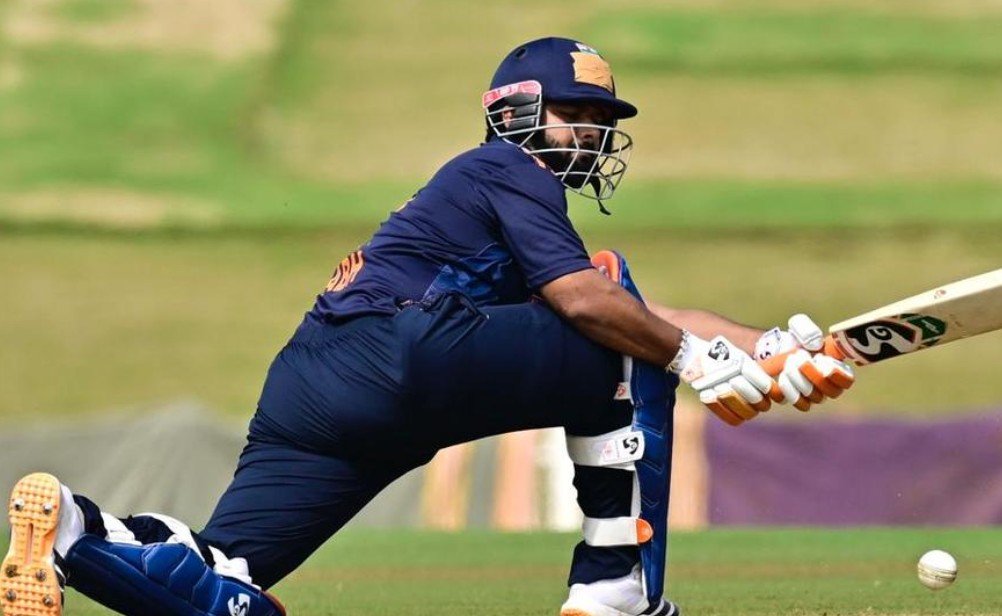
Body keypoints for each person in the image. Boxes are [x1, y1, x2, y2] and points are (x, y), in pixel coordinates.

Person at [1, 37, 856, 616]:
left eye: (602, 121)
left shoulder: (486, 194)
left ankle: (74, 532)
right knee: (619, 325)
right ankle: (617, 591)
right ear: (519, 111)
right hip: (403, 352)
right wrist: (695, 358)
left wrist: (766, 347)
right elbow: (592, 305)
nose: (596, 134)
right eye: (579, 114)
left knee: (230, 576)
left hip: (313, 380)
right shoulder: (508, 166)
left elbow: (635, 317)